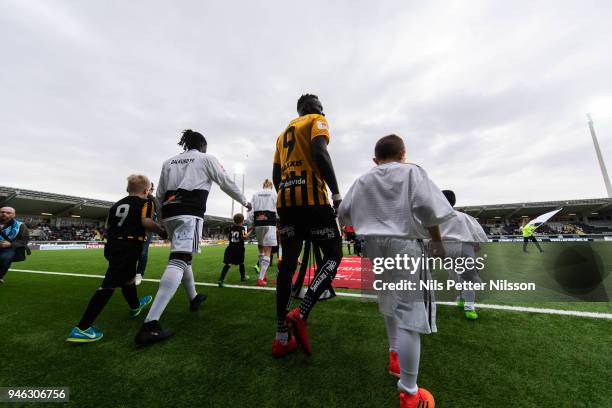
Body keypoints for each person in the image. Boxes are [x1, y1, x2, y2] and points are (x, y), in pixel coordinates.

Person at [338, 134, 454, 408]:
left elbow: (343, 214)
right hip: (404, 244)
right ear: (403, 152)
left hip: (374, 247)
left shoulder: (364, 179)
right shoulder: (412, 171)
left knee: (389, 303)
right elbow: (430, 209)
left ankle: (394, 356)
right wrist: (436, 241)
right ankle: (409, 393)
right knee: (409, 316)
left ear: (375, 159)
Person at [135, 129, 251, 345]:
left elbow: (159, 194)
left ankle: (194, 298)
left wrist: (161, 220)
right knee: (178, 260)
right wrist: (245, 202)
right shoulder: (206, 158)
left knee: (183, 257)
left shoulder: (168, 162)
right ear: (203, 145)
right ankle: (150, 324)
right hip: (189, 212)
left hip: (170, 213)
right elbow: (225, 181)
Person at [271, 93, 343, 358]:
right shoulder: (317, 121)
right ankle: (301, 312)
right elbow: (320, 152)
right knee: (334, 255)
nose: (323, 111)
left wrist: (287, 197)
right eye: (321, 107)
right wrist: (336, 193)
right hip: (313, 202)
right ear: (311, 108)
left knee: (287, 265)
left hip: (286, 203)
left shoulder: (281, 136)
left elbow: (276, 175)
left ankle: (281, 336)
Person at [66, 175, 165, 342]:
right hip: (129, 246)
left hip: (113, 245)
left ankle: (135, 306)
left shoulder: (116, 205)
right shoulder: (146, 202)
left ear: (128, 189)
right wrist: (162, 231)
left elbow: (108, 226)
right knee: (108, 285)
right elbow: (147, 222)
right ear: (146, 190)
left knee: (128, 278)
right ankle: (82, 328)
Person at [439, 190, 489, 320]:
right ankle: (469, 308)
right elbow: (477, 232)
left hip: (445, 249)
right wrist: (477, 245)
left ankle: (461, 298)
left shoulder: (436, 216)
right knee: (467, 278)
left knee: (454, 274)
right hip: (463, 247)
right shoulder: (463, 216)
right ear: (453, 201)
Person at [248, 179, 277, 286]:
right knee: (268, 249)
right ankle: (260, 278)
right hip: (270, 223)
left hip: (258, 223)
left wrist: (251, 223)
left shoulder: (255, 194)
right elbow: (278, 210)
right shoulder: (274, 194)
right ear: (271, 186)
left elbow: (250, 210)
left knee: (261, 249)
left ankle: (263, 274)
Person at [135, 182, 159, 286]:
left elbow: (159, 212)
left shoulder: (153, 200)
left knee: (143, 251)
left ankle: (139, 274)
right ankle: (128, 273)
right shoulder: (137, 199)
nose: (151, 190)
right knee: (131, 251)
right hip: (135, 227)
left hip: (147, 230)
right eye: (150, 188)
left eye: (152, 189)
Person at [0, 207, 30, 284]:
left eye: (8, 213)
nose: (4, 214)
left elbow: (25, 240)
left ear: (14, 215)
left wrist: (10, 244)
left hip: (9, 247)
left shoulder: (20, 225)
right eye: (2, 212)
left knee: (5, 257)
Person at [217, 214, 247, 287]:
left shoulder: (231, 227)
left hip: (230, 247)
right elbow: (245, 237)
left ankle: (221, 279)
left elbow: (228, 234)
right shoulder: (242, 228)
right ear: (242, 221)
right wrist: (251, 230)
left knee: (227, 264)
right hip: (239, 248)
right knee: (241, 263)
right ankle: (243, 277)